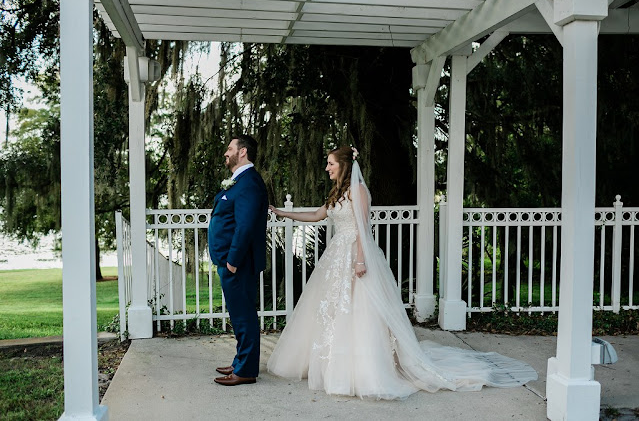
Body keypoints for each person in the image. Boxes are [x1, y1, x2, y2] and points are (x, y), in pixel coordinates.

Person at [267, 146, 537, 399]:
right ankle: (333, 362)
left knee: (360, 311)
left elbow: (363, 228)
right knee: (336, 309)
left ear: (345, 166)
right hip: (337, 255)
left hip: (355, 254)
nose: (327, 168)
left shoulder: (358, 191)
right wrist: (282, 213)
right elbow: (316, 216)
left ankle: (362, 368)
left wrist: (360, 261)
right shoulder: (338, 192)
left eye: (330, 163)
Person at [208, 135, 268, 386]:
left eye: (230, 148)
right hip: (230, 262)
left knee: (244, 316)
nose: (226, 152)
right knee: (239, 315)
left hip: (238, 264)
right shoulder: (239, 181)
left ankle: (245, 371)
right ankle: (240, 362)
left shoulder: (250, 183)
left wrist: (232, 261)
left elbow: (245, 226)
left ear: (242, 152)